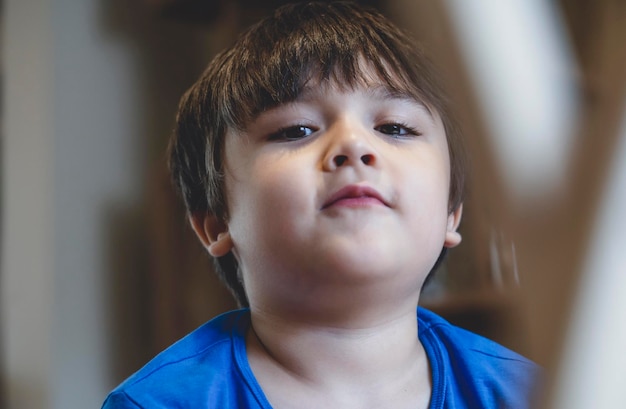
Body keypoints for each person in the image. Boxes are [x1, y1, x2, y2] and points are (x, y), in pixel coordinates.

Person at [102, 2, 540, 408]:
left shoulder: (531, 393)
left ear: (452, 211)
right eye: (296, 130)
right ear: (216, 222)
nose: (353, 144)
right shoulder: (161, 403)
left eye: (396, 127)